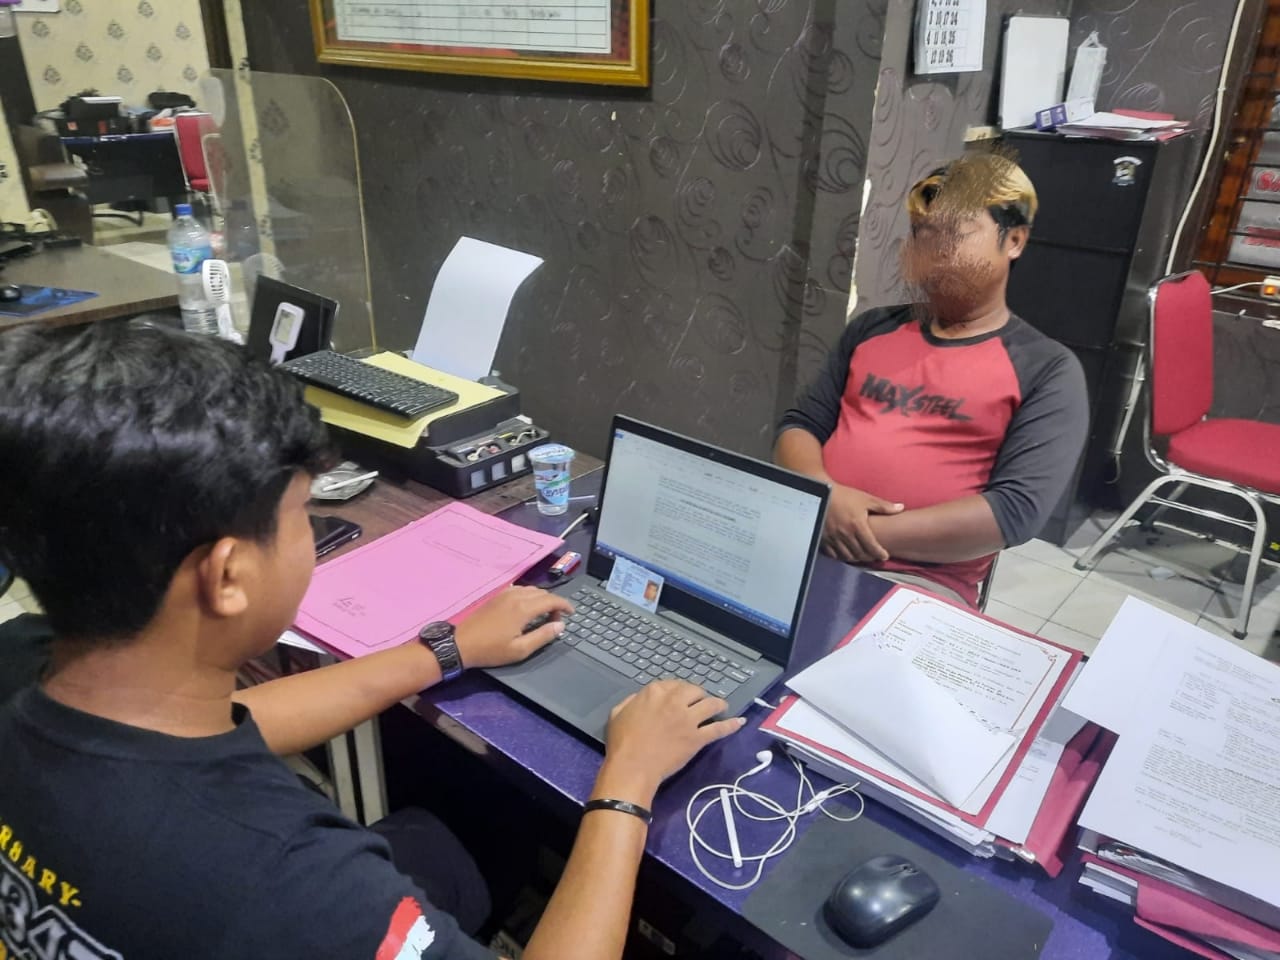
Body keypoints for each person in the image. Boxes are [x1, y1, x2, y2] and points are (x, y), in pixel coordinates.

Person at [0, 322, 743, 960]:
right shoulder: (286, 879)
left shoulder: (29, 673)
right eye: (302, 514)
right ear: (226, 575)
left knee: (462, 826)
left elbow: (236, 723)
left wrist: (446, 650)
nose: (310, 534)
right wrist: (626, 785)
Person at [776, 152, 1089, 606]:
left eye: (956, 233)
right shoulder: (873, 329)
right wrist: (824, 496)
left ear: (1014, 240)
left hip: (918, 581)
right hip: (804, 543)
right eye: (923, 233)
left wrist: (854, 529)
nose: (934, 248)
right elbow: (800, 425)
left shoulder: (1047, 369)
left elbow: (1013, 513)